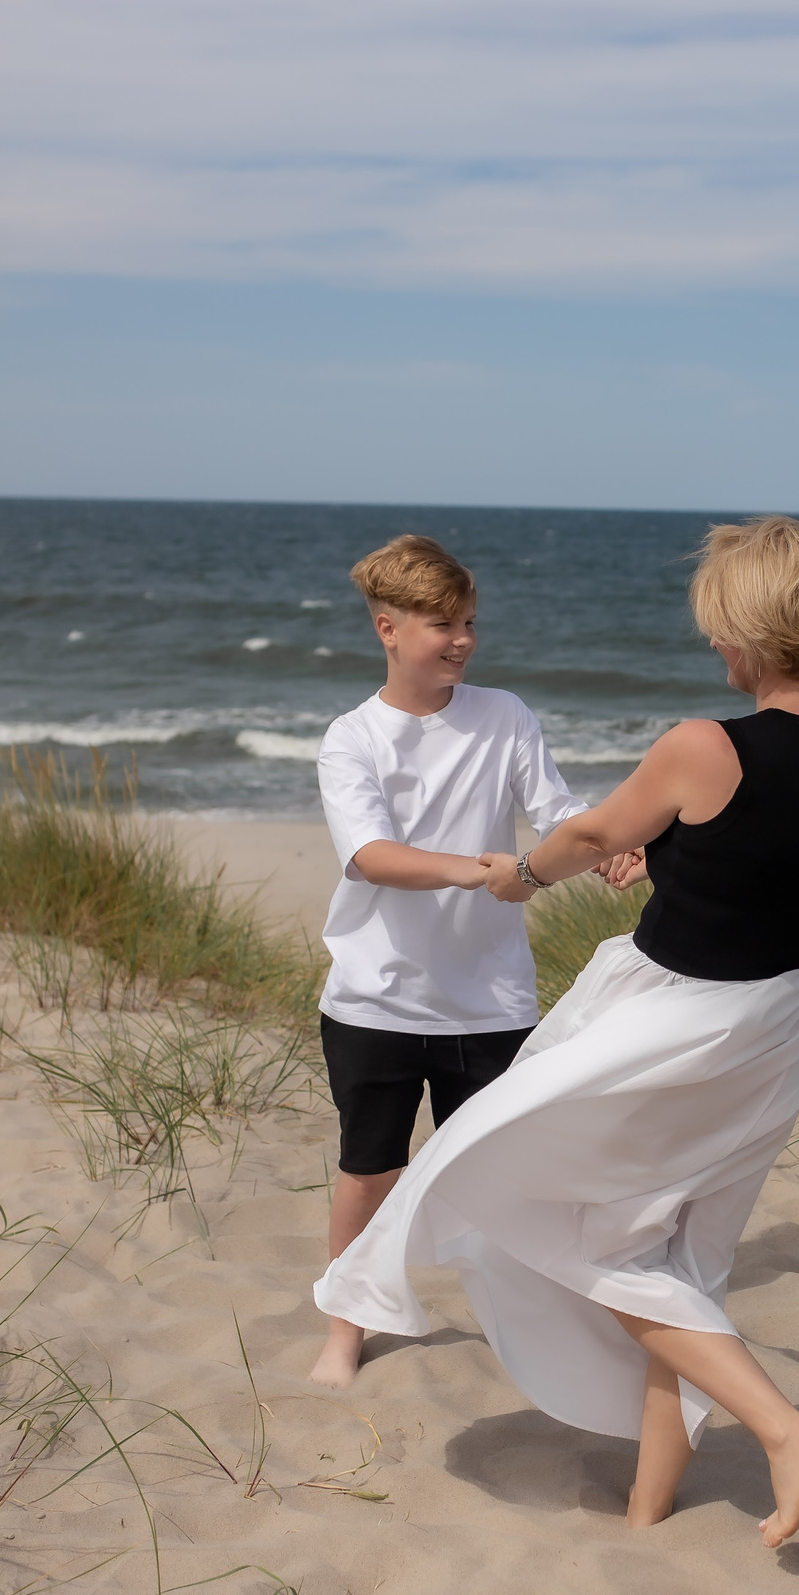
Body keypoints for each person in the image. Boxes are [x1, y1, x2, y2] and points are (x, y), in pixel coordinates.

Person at [316, 515, 799, 1547]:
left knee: (539, 1208)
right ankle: (647, 1506)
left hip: (677, 1022)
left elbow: (587, 832)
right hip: (773, 1037)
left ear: (745, 638)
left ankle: (780, 1428)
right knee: (684, 1269)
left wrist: (525, 876)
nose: (713, 652)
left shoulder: (702, 745)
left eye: (718, 634)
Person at [306, 534, 587, 1388]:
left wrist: (607, 846)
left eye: (469, 621)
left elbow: (557, 807)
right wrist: (482, 870)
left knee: (501, 1176)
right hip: (375, 1002)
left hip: (492, 1001)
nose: (461, 638)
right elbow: (372, 857)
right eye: (441, 623)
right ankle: (346, 1330)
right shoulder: (351, 738)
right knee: (369, 1172)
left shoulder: (505, 715)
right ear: (388, 628)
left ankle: (524, 1329)